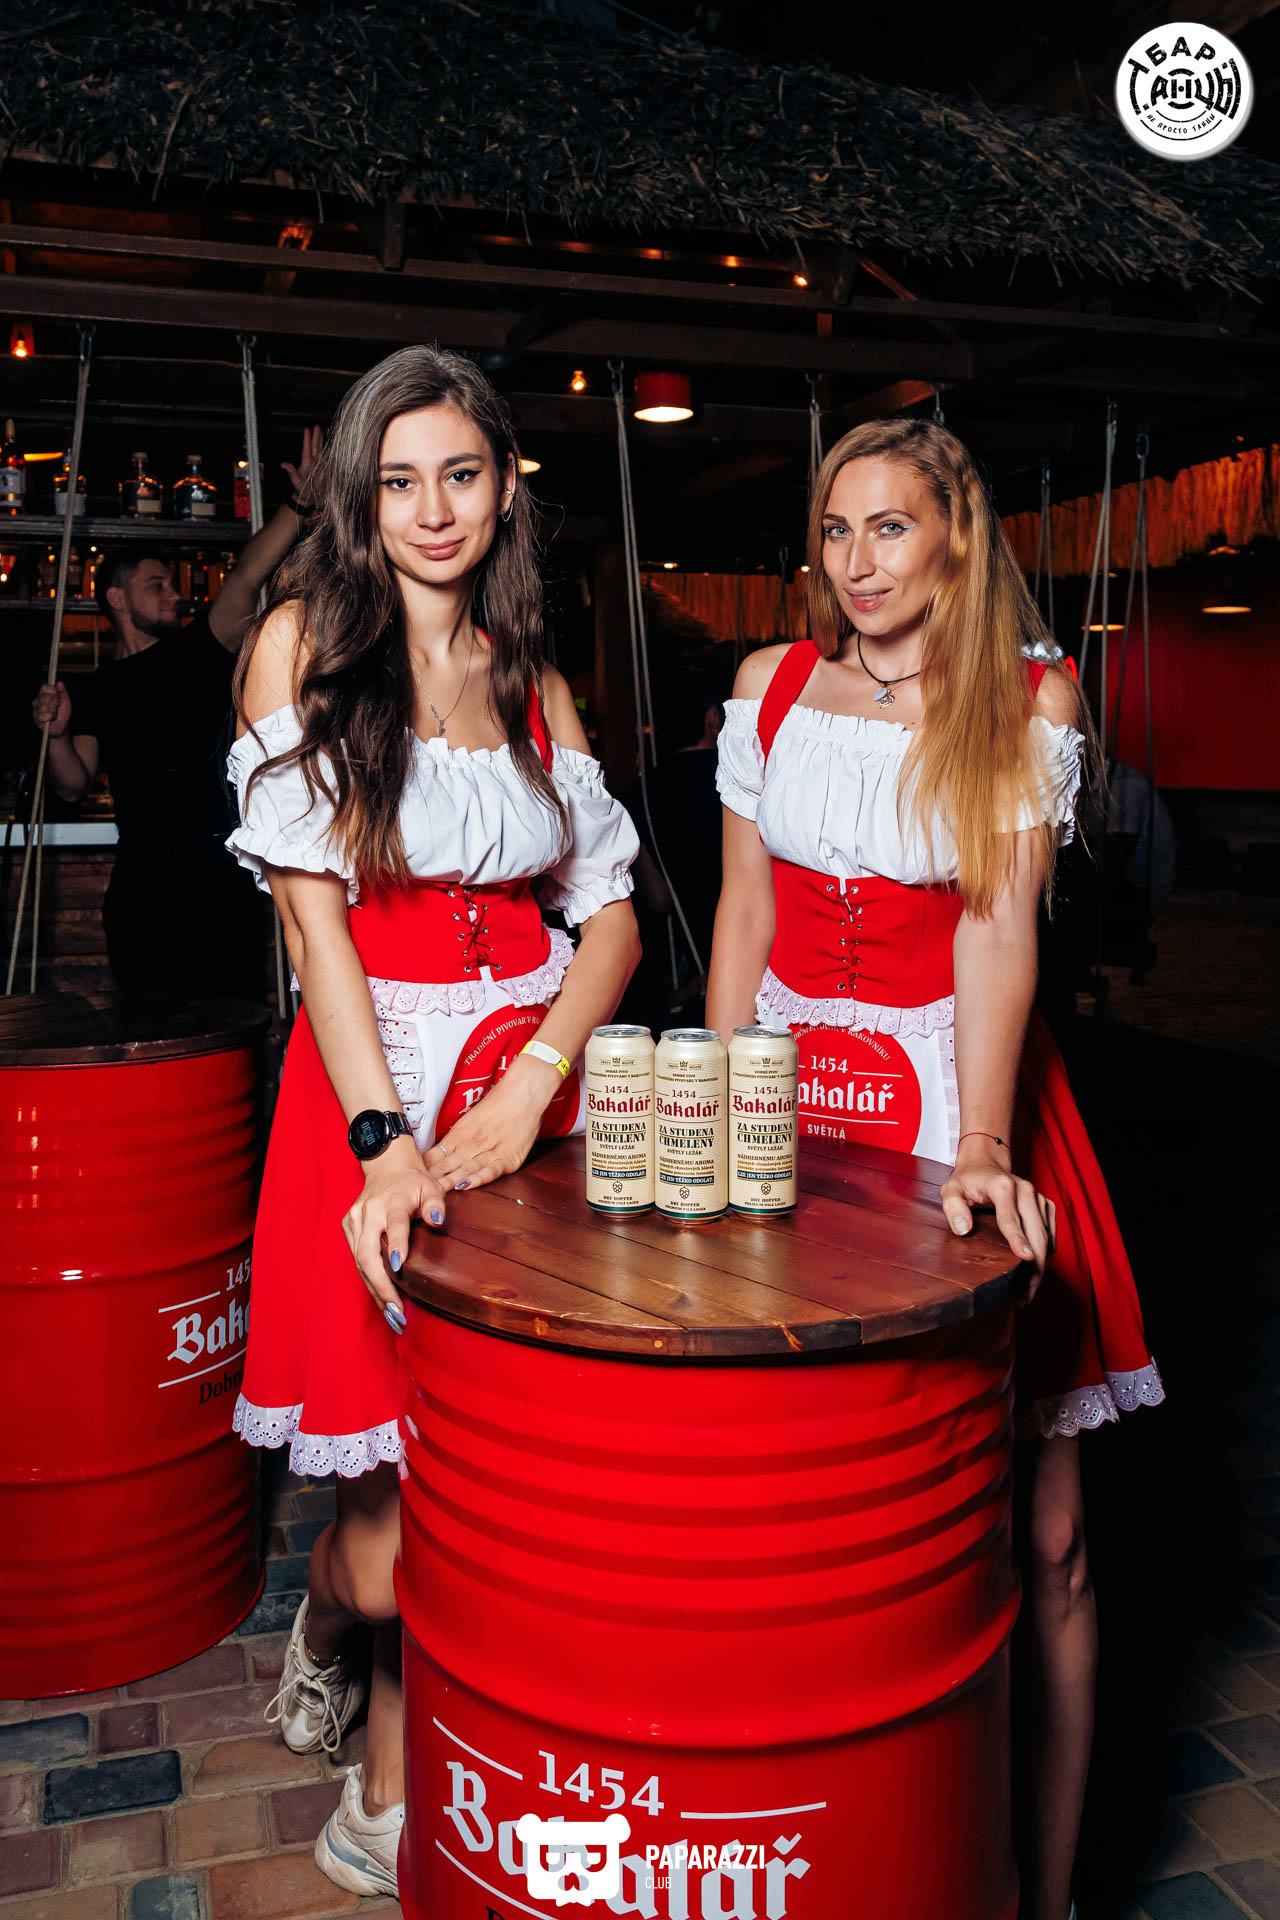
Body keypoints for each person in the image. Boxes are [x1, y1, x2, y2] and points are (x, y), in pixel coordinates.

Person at [706, 418, 1164, 1920]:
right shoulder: (770, 684)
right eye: (835, 531)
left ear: (955, 538)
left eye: (889, 527)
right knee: (822, 1512)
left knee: (1049, 1536)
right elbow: (744, 918)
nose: (857, 562)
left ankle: (1045, 1890)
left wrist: (979, 1143)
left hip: (958, 1096)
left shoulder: (1028, 697)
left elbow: (998, 926)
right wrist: (721, 1116)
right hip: (796, 1114)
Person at [225, 345, 640, 1895]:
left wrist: (537, 1083)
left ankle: (394, 1765)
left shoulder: (535, 676)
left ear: (502, 488)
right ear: (359, 498)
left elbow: (609, 922)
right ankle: (329, 1622)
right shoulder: (301, 648)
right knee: (391, 1524)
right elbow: (313, 926)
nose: (433, 509)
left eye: (460, 474)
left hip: (524, 1102)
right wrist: (381, 1142)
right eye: (399, 481)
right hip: (370, 1085)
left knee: (504, 1471)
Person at [30, 428, 323, 997]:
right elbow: (72, 784)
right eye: (157, 585)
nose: (175, 594)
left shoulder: (199, 649)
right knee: (148, 1026)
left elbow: (247, 576)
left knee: (233, 1024)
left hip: (218, 882)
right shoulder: (97, 688)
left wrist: (299, 506)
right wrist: (58, 735)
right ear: (117, 599)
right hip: (142, 889)